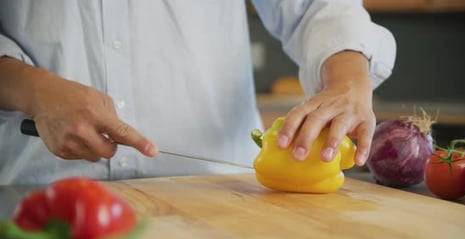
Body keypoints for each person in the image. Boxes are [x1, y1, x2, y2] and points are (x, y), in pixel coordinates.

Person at [0, 1, 396, 185]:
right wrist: (35, 90)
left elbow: (315, 7)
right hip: (33, 198)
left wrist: (347, 79)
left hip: (225, 201)